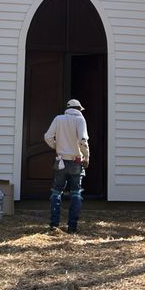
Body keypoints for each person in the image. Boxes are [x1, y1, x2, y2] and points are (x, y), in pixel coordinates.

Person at [44, 98, 89, 234]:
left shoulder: (58, 119)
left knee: (56, 192)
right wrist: (86, 157)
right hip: (76, 161)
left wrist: (57, 146)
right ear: (78, 109)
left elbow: (48, 137)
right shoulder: (80, 120)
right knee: (76, 193)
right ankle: (72, 227)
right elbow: (83, 140)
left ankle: (54, 225)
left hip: (60, 160)